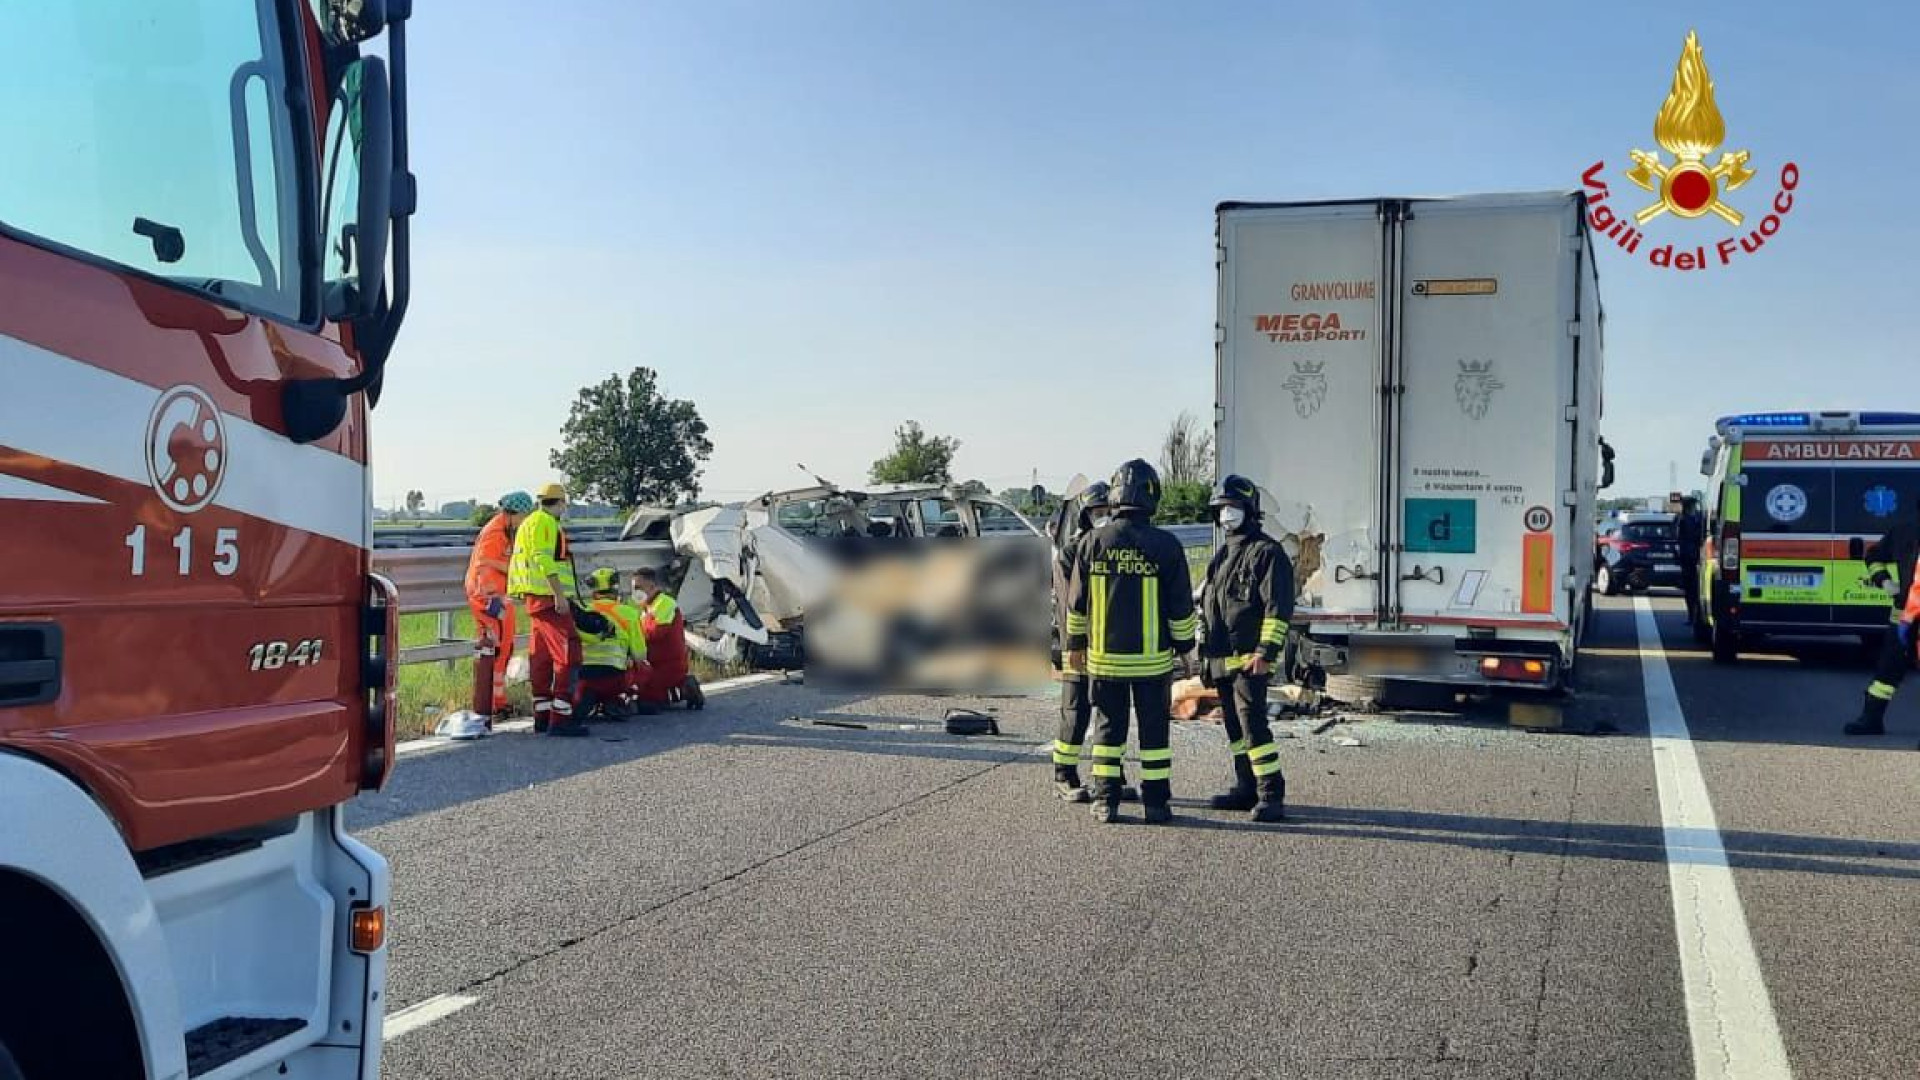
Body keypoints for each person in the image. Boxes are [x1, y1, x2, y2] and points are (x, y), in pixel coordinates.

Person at [1065, 459, 1198, 824]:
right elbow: (1180, 608)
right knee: (1154, 735)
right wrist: (1187, 652)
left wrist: (1074, 648)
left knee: (1108, 730)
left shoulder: (1092, 542)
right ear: (1152, 495)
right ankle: (1155, 805)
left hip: (1104, 662)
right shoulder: (1166, 546)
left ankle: (1105, 802)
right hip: (1152, 664)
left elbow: (1076, 605)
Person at [1196, 474, 1294, 823]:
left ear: (1249, 510)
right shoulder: (1222, 554)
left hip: (1249, 660)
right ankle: (1246, 786)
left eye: (1234, 507)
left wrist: (1266, 652)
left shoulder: (1267, 553)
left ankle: (1271, 794)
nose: (1227, 515)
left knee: (1254, 728)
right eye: (1221, 508)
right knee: (1235, 729)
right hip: (1221, 660)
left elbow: (1278, 608)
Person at [1048, 482, 1138, 804]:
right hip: (1079, 646)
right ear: (1085, 516)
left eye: (1106, 512)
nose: (1102, 517)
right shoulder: (1072, 552)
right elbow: (1068, 605)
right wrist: (1073, 647)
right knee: (1076, 713)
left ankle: (1110, 778)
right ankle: (1064, 775)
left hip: (1107, 648)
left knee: (1110, 716)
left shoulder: (1111, 546)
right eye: (1096, 513)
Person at [509, 482, 588, 737]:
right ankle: (561, 718)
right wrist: (559, 594)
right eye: (564, 503)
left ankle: (542, 716)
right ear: (561, 503)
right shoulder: (546, 523)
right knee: (569, 653)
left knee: (540, 657)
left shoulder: (529, 523)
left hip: (534, 599)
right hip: (548, 599)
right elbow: (543, 559)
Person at [1844, 496, 1920, 738]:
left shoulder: (1904, 530)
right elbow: (1874, 556)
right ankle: (1871, 718)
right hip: (1905, 614)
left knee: (1888, 670)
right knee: (1887, 672)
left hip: (1906, 614)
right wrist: (1884, 582)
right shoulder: (1904, 532)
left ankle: (1870, 719)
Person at [465, 491, 533, 724]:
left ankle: (496, 701)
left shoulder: (502, 529)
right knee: (498, 648)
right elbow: (486, 561)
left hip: (493, 596)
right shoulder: (496, 532)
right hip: (489, 597)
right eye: (524, 515)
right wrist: (516, 569)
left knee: (502, 647)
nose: (525, 520)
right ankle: (493, 703)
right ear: (515, 513)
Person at [575, 568, 654, 720]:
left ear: (593, 591)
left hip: (584, 678)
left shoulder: (583, 613)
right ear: (616, 589)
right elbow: (640, 655)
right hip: (614, 680)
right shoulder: (629, 613)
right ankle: (620, 699)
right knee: (645, 668)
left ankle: (592, 701)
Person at [632, 567, 706, 710]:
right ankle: (674, 688)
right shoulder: (645, 606)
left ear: (652, 586)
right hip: (653, 663)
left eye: (638, 588)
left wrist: (633, 635)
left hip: (668, 664)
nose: (635, 592)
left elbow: (655, 633)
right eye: (634, 588)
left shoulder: (665, 604)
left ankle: (684, 686)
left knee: (647, 702)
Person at [1676, 496, 1706, 626]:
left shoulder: (1689, 519)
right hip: (1691, 557)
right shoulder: (1685, 520)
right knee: (1692, 590)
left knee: (1692, 590)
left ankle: (1693, 616)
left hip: (1692, 557)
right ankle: (1693, 616)